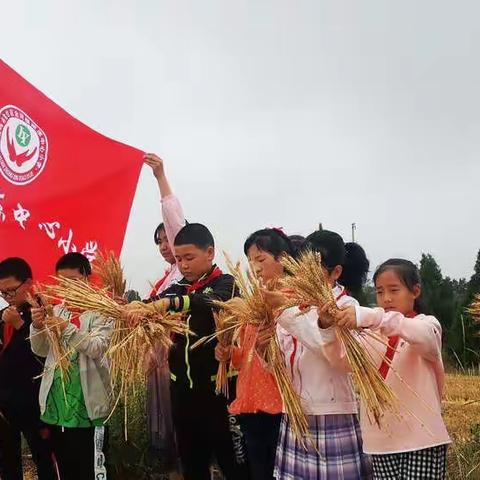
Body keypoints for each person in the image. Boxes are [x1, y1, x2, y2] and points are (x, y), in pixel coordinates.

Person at [265, 230, 372, 479]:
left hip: (331, 414)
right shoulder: (293, 306)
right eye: (302, 267)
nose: (305, 274)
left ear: (336, 272)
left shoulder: (346, 307)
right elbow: (279, 365)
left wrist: (285, 312)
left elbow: (338, 359)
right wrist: (264, 349)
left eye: (316, 268)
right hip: (295, 414)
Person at [144, 223, 248, 480]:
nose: (183, 265)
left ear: (210, 252)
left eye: (189, 258)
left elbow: (212, 302)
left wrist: (171, 303)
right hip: (183, 394)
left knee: (234, 465)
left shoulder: (227, 284)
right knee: (192, 465)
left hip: (220, 394)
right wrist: (134, 308)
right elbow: (150, 304)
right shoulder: (177, 288)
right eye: (178, 259)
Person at [330, 258, 451, 479]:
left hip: (421, 439)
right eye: (379, 292)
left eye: (394, 290)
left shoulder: (427, 325)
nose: (386, 298)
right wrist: (327, 329)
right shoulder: (371, 336)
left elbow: (422, 337)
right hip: (380, 441)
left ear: (415, 291)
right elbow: (342, 362)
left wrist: (372, 316)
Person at [215, 228, 289, 480]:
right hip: (250, 403)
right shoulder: (253, 302)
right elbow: (246, 355)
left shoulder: (292, 301)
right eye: (250, 261)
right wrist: (228, 354)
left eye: (261, 259)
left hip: (279, 407)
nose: (255, 267)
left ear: (284, 259)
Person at [30, 253, 112, 480]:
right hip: (58, 408)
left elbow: (97, 348)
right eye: (62, 282)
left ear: (87, 277)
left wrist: (66, 328)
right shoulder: (58, 310)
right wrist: (36, 327)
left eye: (73, 281)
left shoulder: (103, 311)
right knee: (66, 469)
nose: (67, 288)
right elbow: (41, 350)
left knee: (92, 469)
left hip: (89, 408)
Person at [143, 153, 186, 471]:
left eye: (166, 239)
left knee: (181, 428)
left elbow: (176, 224)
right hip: (159, 360)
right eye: (158, 242)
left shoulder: (185, 275)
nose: (163, 245)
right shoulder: (163, 281)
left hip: (179, 359)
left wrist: (160, 177)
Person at [0, 257, 56, 480]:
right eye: (2, 293)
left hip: (36, 406)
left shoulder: (44, 311)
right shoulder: (6, 315)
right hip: (7, 405)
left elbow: (43, 356)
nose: (7, 297)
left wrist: (20, 326)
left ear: (28, 283)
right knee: (9, 462)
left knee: (44, 459)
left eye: (11, 291)